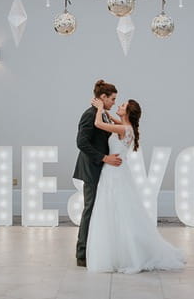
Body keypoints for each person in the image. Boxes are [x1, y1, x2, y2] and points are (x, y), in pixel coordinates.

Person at [86, 97, 184, 274]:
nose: (119, 105)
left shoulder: (124, 128)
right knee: (119, 211)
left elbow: (99, 124)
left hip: (114, 173)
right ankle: (123, 251)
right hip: (115, 172)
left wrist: (100, 108)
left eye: (122, 105)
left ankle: (127, 253)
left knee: (116, 210)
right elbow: (113, 121)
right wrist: (106, 110)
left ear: (128, 113)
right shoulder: (125, 127)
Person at [73, 80, 122, 267]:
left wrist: (104, 110)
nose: (114, 103)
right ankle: (82, 254)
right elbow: (81, 143)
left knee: (97, 210)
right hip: (92, 169)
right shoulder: (89, 115)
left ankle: (95, 249)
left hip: (102, 169)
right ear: (103, 97)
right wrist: (104, 158)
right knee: (89, 209)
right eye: (112, 99)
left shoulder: (102, 115)